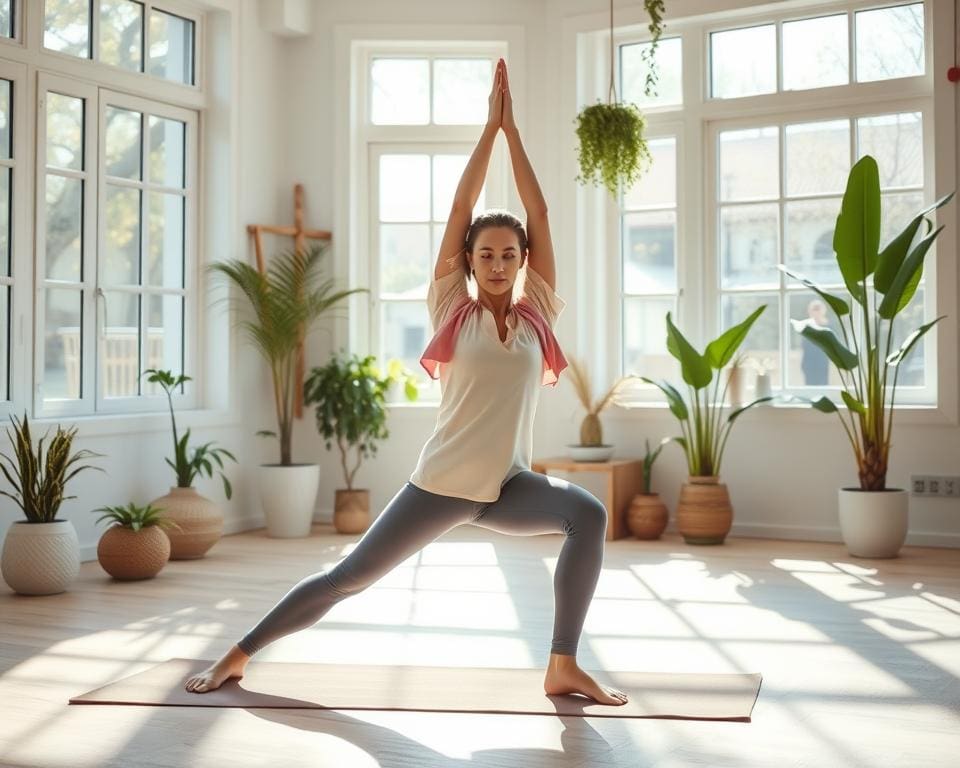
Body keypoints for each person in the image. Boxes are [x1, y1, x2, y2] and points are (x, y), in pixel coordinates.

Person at [185, 58, 628, 706]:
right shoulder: (454, 308)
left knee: (586, 513)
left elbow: (540, 208)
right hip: (444, 485)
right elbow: (459, 205)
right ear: (470, 263)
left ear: (524, 260)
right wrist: (489, 130)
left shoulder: (537, 317)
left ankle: (562, 663)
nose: (500, 264)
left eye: (511, 254)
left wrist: (516, 133)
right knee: (349, 578)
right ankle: (238, 652)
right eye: (487, 254)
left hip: (505, 485)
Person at [799, 299, 829, 385]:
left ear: (823, 311)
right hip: (809, 363)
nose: (816, 312)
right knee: (810, 387)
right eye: (814, 310)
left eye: (818, 309)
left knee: (822, 386)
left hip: (822, 362)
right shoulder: (806, 326)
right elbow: (804, 345)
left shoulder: (827, 327)